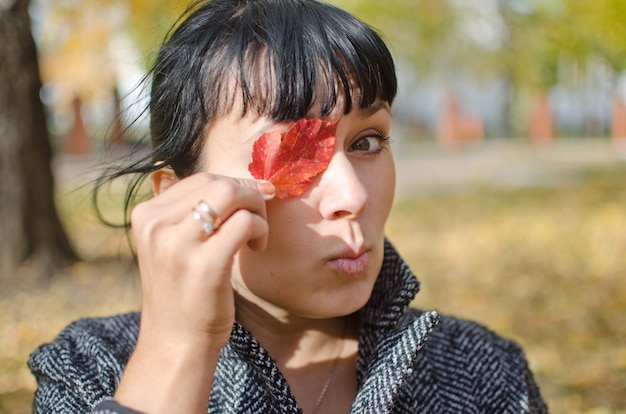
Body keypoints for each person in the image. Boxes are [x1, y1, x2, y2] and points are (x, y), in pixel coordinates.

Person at [28, 0, 548, 412]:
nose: (354, 197)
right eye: (294, 151)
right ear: (176, 195)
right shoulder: (92, 371)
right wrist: (178, 348)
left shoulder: (479, 372)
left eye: (367, 142)